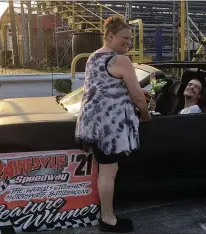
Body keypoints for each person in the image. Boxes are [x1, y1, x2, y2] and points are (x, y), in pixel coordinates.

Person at [75, 14, 151, 233]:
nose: (128, 42)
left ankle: (105, 215)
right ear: (109, 36)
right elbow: (137, 97)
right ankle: (108, 219)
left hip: (92, 124)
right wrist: (145, 115)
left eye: (130, 39)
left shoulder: (93, 57)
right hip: (110, 127)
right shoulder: (121, 60)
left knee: (105, 169)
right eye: (124, 38)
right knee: (109, 171)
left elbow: (104, 88)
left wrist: (132, 93)